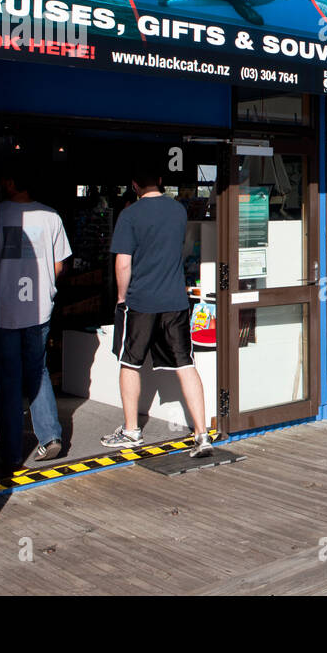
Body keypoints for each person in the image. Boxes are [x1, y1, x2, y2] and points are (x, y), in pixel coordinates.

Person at [103, 165, 214, 457]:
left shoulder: (130, 215)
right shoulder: (178, 211)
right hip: (175, 301)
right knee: (185, 363)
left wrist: (120, 297)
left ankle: (131, 431)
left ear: (134, 183)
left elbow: (123, 263)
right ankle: (202, 433)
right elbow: (182, 247)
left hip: (140, 301)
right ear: (161, 181)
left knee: (130, 362)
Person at [0, 159, 70, 469]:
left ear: (11, 182)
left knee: (9, 378)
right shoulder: (51, 216)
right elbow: (59, 265)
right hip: (40, 308)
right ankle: (51, 437)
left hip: (5, 309)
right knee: (38, 371)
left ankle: (12, 452)